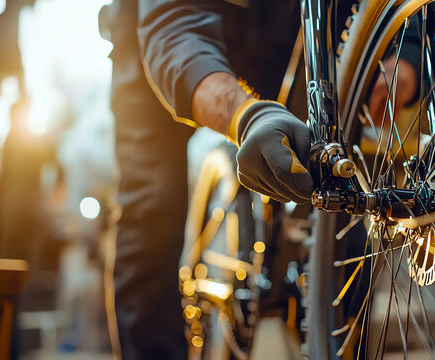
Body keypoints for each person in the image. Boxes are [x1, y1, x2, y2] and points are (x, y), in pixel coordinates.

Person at [102, 0, 418, 358]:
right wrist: (246, 116)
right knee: (151, 202)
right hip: (166, 34)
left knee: (337, 187)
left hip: (295, 32)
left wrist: (406, 55)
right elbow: (176, 28)